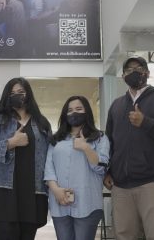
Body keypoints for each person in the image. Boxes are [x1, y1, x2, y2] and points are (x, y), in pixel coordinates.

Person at [104, 56, 154, 240]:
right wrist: (107, 171)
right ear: (123, 76)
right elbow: (108, 142)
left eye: (138, 69)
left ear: (147, 73)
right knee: (123, 236)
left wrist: (146, 122)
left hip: (152, 183)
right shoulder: (116, 105)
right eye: (128, 70)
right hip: (120, 186)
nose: (133, 73)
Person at [0, 77, 51, 240]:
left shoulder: (41, 122)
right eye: (12, 93)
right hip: (4, 191)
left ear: (28, 94)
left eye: (21, 92)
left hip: (33, 191)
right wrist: (10, 143)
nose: (17, 95)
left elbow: (49, 155)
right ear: (6, 96)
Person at [44, 95, 110, 240]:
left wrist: (86, 147)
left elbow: (101, 168)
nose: (74, 113)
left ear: (87, 112)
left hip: (88, 202)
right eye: (70, 110)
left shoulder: (100, 137)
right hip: (59, 202)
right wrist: (55, 190)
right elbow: (49, 168)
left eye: (79, 109)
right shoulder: (56, 139)